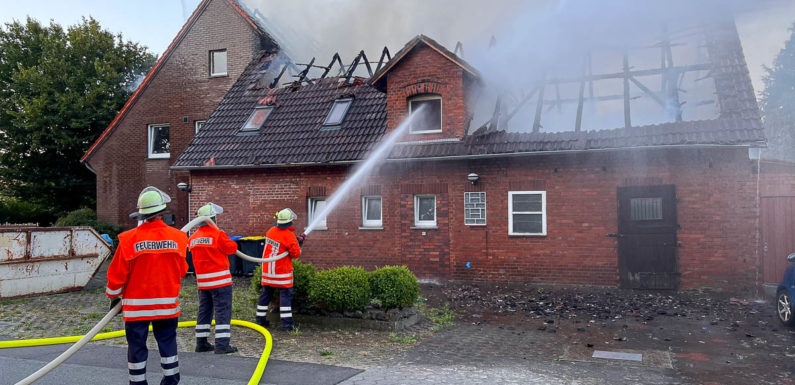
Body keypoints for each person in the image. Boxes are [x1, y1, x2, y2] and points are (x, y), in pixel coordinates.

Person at [106, 186, 188, 385]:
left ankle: (138, 382)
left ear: (141, 214)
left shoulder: (128, 240)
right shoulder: (178, 238)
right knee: (167, 343)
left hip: (136, 308)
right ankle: (170, 380)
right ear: (162, 213)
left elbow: (117, 275)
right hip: (166, 306)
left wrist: (114, 297)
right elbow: (183, 270)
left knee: (136, 347)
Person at [188, 203, 239, 354]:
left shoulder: (193, 238)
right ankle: (222, 345)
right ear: (213, 219)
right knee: (222, 311)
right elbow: (232, 248)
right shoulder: (217, 234)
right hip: (221, 282)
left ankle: (201, 343)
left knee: (204, 311)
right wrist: (222, 233)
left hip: (203, 283)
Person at [256, 208, 305, 331]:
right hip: (282, 272)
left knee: (265, 295)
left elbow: (279, 245)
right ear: (289, 222)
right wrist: (299, 243)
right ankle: (287, 324)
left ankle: (260, 320)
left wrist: (295, 242)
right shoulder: (289, 235)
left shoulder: (271, 231)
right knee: (285, 297)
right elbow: (296, 254)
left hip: (267, 271)